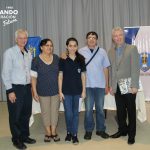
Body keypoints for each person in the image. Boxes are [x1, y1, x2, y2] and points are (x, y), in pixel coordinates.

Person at [2, 29, 36, 150]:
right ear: (16, 39)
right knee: (15, 115)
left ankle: (24, 136)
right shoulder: (9, 53)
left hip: (27, 87)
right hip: (15, 88)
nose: (23, 40)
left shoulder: (28, 53)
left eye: (25, 38)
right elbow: (5, 73)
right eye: (20, 38)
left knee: (26, 114)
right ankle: (16, 139)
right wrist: (10, 91)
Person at [108, 27, 140, 145]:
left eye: (120, 35)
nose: (118, 37)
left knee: (131, 111)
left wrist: (135, 85)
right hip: (117, 86)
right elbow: (112, 70)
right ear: (113, 38)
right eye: (115, 36)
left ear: (123, 35)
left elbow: (135, 69)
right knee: (120, 111)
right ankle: (122, 130)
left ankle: (132, 135)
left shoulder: (132, 48)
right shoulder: (110, 51)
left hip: (129, 86)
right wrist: (111, 86)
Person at [78, 32, 110, 140]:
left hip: (100, 85)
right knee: (88, 110)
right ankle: (88, 130)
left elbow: (106, 68)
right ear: (86, 39)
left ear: (97, 40)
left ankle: (101, 130)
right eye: (89, 38)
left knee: (100, 109)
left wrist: (107, 84)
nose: (91, 39)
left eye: (94, 38)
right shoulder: (81, 51)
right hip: (87, 85)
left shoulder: (102, 52)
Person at [31, 39, 60, 142]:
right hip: (42, 91)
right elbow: (33, 78)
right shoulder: (36, 60)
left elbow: (60, 74)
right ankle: (48, 132)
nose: (49, 47)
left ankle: (54, 131)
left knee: (54, 112)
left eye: (51, 45)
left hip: (56, 91)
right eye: (47, 45)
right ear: (41, 47)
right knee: (45, 112)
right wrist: (34, 91)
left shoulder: (56, 58)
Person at [58, 37, 86, 144]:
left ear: (77, 47)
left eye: (75, 46)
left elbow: (83, 76)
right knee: (68, 114)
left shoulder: (81, 59)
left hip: (78, 92)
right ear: (67, 46)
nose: (72, 48)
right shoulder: (63, 59)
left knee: (75, 114)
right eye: (70, 45)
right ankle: (68, 132)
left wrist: (84, 91)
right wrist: (60, 91)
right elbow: (60, 76)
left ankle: (74, 134)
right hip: (66, 92)